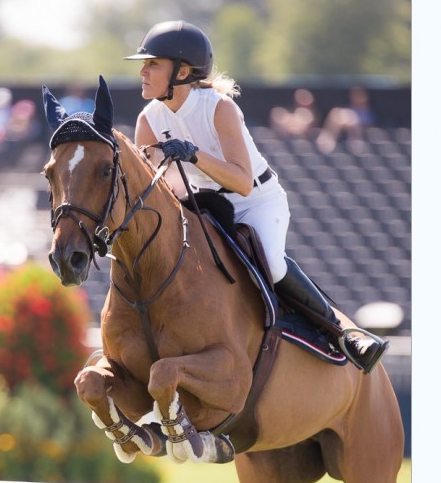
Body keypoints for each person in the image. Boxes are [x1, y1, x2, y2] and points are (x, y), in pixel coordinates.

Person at [125, 20, 387, 374]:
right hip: (204, 205)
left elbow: (242, 181)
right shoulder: (148, 119)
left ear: (182, 71)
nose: (143, 70)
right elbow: (160, 186)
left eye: (152, 63)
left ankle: (342, 333)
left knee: (273, 264)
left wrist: (193, 153)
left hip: (256, 201)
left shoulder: (219, 108)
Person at [316, 86, 375, 153]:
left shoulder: (367, 111)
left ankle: (357, 141)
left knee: (353, 119)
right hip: (345, 124)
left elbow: (369, 124)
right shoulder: (351, 108)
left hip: (359, 129)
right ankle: (328, 138)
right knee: (335, 112)